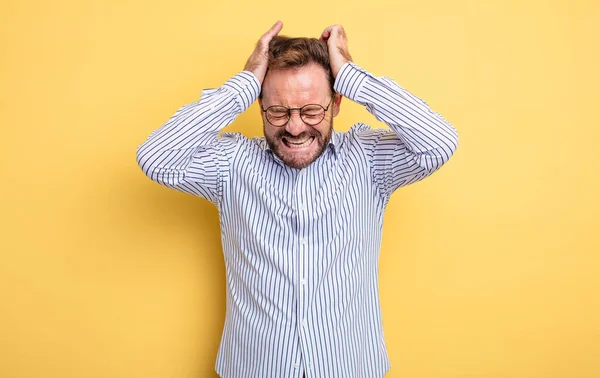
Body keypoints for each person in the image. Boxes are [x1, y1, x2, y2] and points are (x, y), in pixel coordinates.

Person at [136, 21, 458, 378]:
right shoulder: (231, 164)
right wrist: (244, 83)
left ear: (336, 103)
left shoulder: (368, 160)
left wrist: (350, 74)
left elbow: (438, 142)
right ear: (259, 107)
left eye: (310, 111)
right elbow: (157, 157)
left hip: (349, 367)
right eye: (278, 111)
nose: (294, 127)